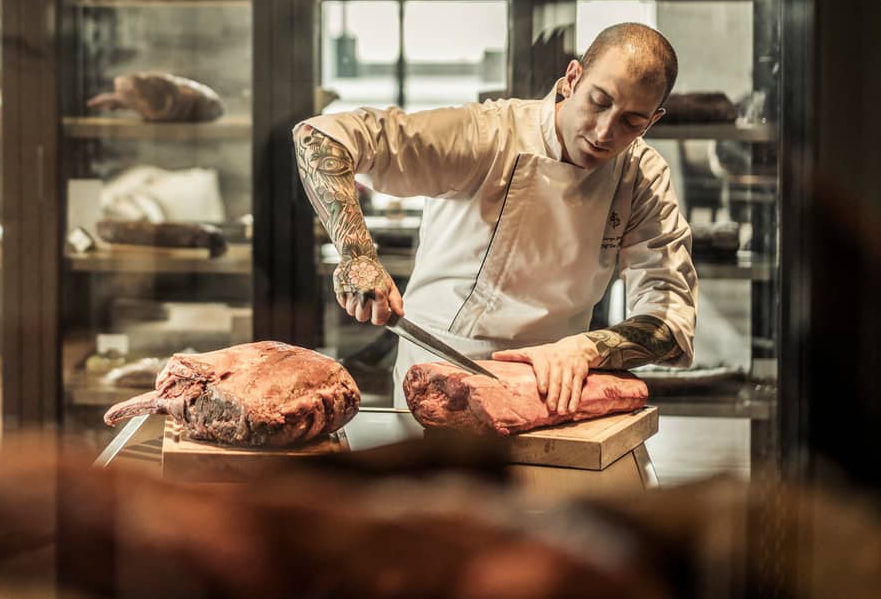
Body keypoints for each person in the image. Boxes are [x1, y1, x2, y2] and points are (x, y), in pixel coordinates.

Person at [293, 23, 697, 413]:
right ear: (573, 79)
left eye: (631, 121)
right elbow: (321, 137)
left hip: (551, 386)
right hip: (439, 374)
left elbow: (670, 317)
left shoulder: (641, 176)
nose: (606, 131)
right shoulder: (486, 134)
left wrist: (585, 349)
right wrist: (358, 255)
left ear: (653, 121)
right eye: (599, 101)